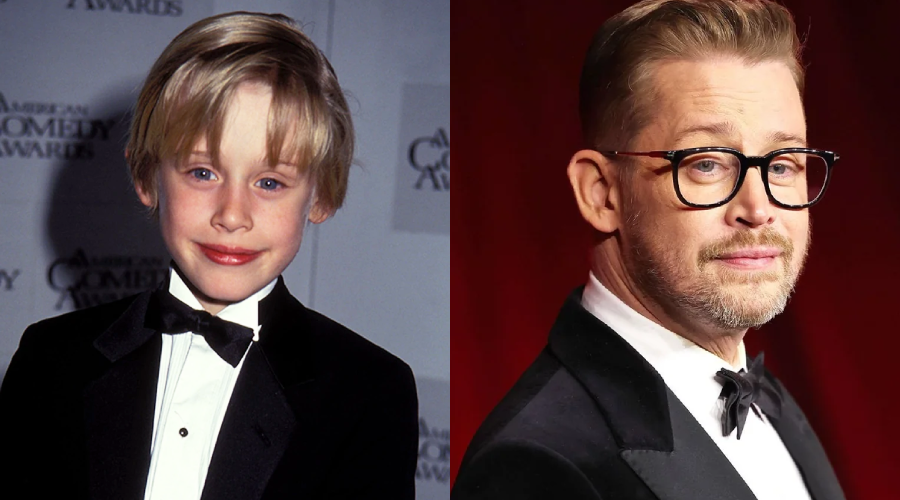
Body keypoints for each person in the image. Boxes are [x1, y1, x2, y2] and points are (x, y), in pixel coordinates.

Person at [0, 12, 417, 500]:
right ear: (146, 177)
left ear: (321, 196)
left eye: (269, 182)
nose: (232, 214)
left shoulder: (368, 393)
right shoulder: (51, 359)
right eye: (203, 173)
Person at [453, 1, 845, 499]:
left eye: (784, 163)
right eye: (707, 163)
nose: (759, 207)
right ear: (601, 193)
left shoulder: (776, 403)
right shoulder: (537, 466)